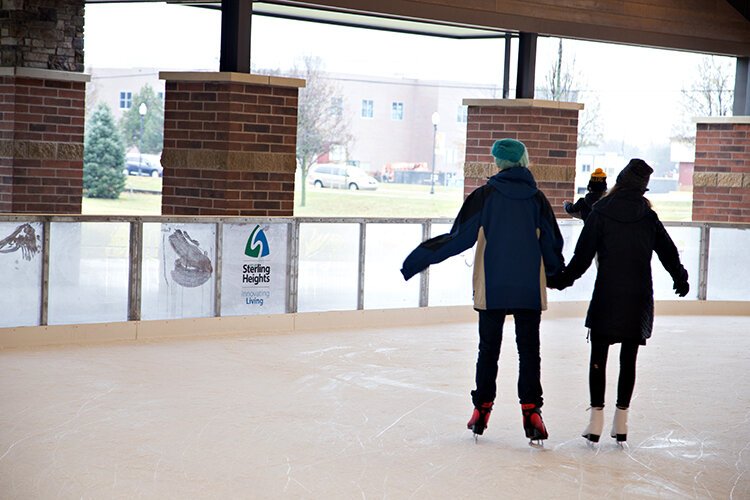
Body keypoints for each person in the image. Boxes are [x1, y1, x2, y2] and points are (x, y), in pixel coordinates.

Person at [400, 138, 565, 446]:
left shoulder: (485, 196)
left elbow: (458, 238)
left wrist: (418, 259)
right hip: (529, 289)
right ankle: (532, 412)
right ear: (524, 161)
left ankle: (482, 409)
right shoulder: (537, 199)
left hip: (492, 288)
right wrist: (556, 275)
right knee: (529, 352)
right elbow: (552, 244)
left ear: (498, 162)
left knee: (488, 350)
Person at [552, 158, 689, 446]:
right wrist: (680, 277)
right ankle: (621, 422)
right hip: (638, 296)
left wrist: (562, 279)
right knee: (629, 359)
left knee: (598, 357)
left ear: (620, 182)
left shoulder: (600, 212)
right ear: (643, 188)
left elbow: (582, 257)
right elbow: (668, 251)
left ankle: (595, 422)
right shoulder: (647, 216)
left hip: (607, 294)